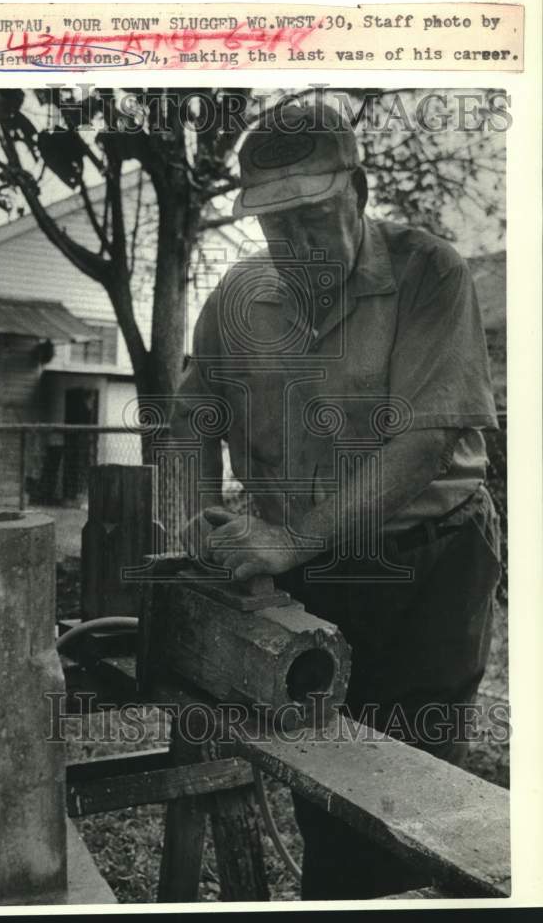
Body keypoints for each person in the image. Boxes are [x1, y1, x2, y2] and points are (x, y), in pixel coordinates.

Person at [170, 100, 502, 900]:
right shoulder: (241, 299)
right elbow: (191, 414)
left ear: (359, 189)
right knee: (322, 781)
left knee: (412, 794)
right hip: (316, 578)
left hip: (429, 570)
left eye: (313, 218)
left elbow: (422, 446)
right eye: (274, 227)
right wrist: (194, 509)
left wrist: (291, 541)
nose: (295, 246)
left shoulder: (431, 272)